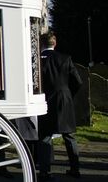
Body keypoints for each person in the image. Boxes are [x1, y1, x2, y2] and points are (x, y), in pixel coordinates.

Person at [37, 32, 83, 181]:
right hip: (64, 98)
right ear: (54, 44)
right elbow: (77, 81)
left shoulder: (37, 60)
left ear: (41, 44)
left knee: (45, 136)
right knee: (69, 135)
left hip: (44, 99)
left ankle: (44, 170)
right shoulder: (65, 58)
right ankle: (75, 168)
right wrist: (68, 93)